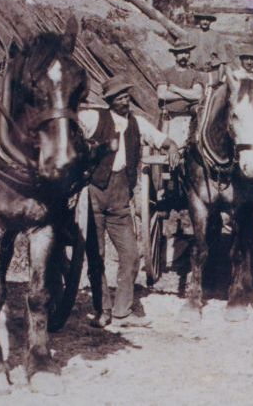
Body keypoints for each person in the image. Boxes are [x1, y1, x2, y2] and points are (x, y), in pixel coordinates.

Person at [79, 75, 180, 327]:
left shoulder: (138, 123)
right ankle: (103, 310)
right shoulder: (94, 118)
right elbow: (71, 128)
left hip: (120, 196)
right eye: (119, 97)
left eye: (126, 96)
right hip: (93, 193)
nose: (125, 101)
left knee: (132, 256)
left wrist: (172, 146)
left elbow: (160, 139)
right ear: (110, 101)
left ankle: (122, 311)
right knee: (96, 256)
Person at [157, 41, 204, 150]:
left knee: (190, 150)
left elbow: (198, 95)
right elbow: (162, 94)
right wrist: (188, 94)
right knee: (168, 150)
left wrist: (176, 89)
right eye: (180, 53)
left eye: (186, 53)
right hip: (170, 118)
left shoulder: (195, 74)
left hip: (189, 118)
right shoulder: (166, 73)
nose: (184, 56)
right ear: (175, 55)